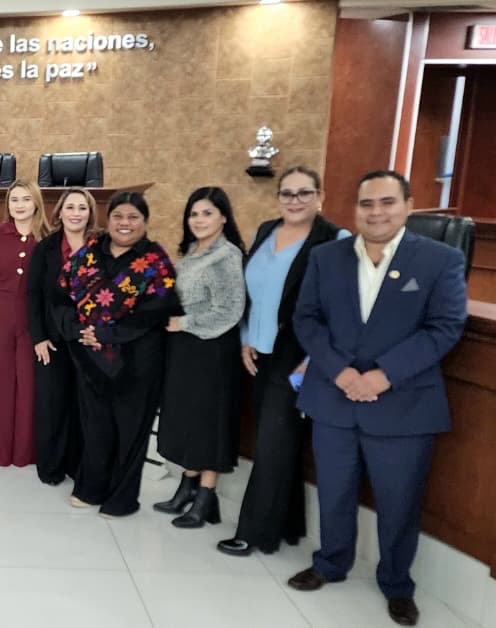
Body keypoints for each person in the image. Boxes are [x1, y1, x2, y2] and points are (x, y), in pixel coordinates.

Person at [286, 171, 467, 627]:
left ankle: (397, 584)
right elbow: (307, 320)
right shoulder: (326, 257)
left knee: (399, 502)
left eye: (388, 202)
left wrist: (385, 375)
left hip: (402, 404)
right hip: (334, 396)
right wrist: (341, 371)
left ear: (409, 205)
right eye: (367, 204)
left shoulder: (440, 259)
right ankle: (331, 563)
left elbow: (444, 327)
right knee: (333, 491)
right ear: (355, 209)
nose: (377, 212)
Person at [217, 166, 350, 557]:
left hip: (298, 358)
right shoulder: (266, 231)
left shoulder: (336, 239)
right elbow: (252, 294)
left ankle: (254, 533)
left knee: (273, 442)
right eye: (287, 193)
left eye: (304, 193)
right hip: (259, 354)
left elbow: (341, 309)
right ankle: (289, 526)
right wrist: (245, 339)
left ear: (320, 196)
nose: (295, 200)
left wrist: (314, 359)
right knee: (278, 439)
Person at [55, 192, 181, 517]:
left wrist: (104, 334)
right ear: (107, 220)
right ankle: (91, 487)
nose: (125, 223)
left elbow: (155, 313)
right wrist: (76, 330)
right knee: (96, 426)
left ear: (145, 222)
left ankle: (122, 499)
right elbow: (60, 295)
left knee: (131, 431)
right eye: (118, 216)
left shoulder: (155, 261)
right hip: (90, 360)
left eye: (133, 217)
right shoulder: (88, 253)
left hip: (137, 363)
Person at [153, 187, 247, 528]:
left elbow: (230, 310)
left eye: (207, 213)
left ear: (223, 217)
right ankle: (187, 487)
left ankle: (206, 497)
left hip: (213, 351)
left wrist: (183, 322)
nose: (199, 220)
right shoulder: (193, 251)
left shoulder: (227, 256)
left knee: (209, 423)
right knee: (189, 419)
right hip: (187, 350)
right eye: (194, 214)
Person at [0, 179, 47, 467]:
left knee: (29, 385)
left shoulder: (46, 237)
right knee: (0, 382)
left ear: (36, 203)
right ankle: (1, 451)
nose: (20, 205)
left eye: (26, 199)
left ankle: (25, 452)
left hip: (34, 319)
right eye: (14, 199)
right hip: (0, 315)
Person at [27, 188, 93, 485]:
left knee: (83, 405)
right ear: (60, 212)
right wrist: (38, 337)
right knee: (52, 404)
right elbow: (33, 295)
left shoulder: (100, 247)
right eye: (71, 207)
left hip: (88, 339)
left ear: (90, 213)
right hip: (51, 339)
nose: (76, 213)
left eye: (82, 207)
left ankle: (77, 465)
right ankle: (51, 467)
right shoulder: (46, 248)